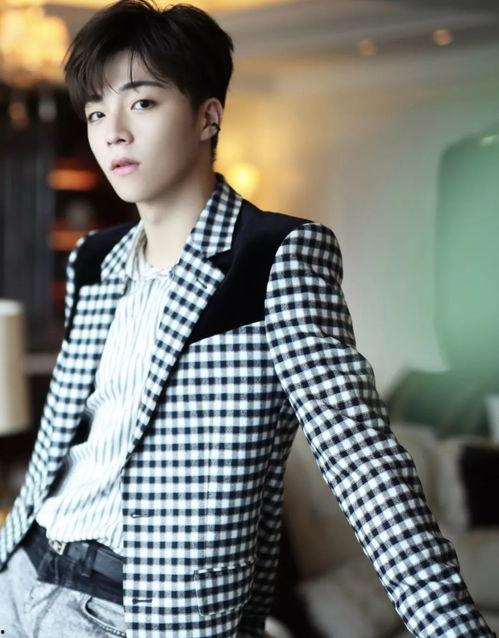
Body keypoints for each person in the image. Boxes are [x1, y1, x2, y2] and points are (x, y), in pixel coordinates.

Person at [0, 1, 496, 637]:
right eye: (96, 112)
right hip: (24, 572)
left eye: (142, 103)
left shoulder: (275, 256)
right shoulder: (94, 259)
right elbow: (73, 440)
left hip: (133, 613)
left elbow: (364, 465)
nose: (112, 132)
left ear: (208, 116)